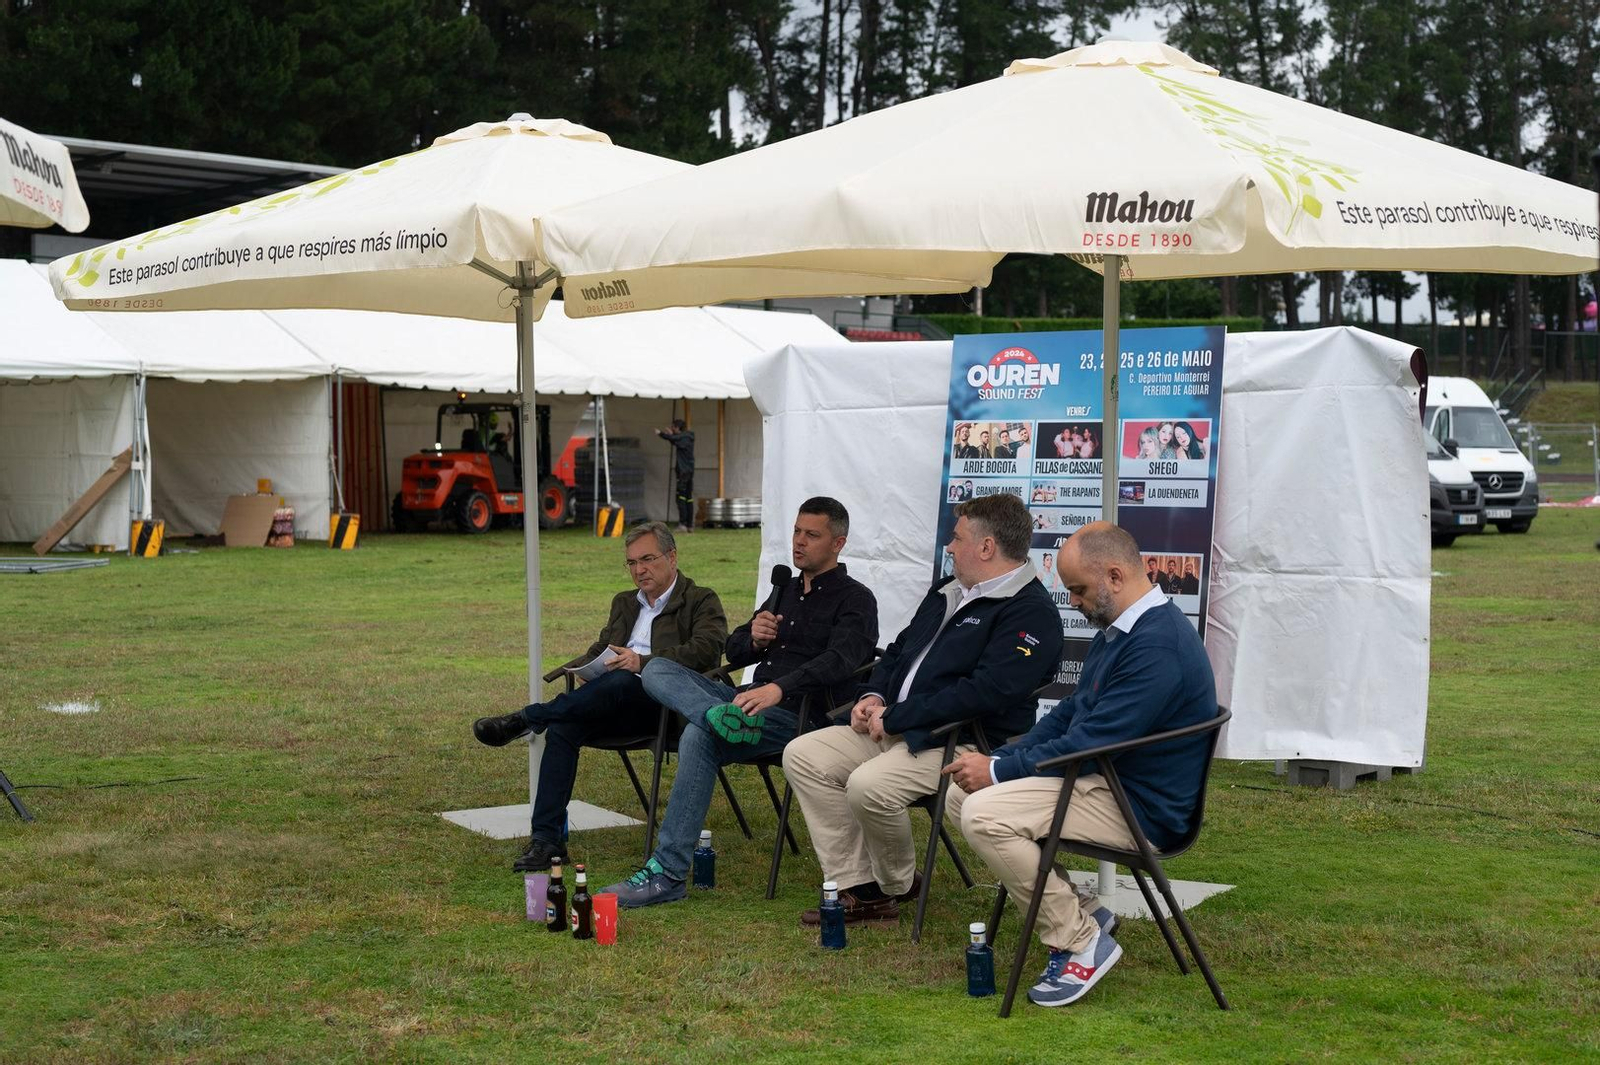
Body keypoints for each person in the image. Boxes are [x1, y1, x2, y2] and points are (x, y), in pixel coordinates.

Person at [941, 521, 1217, 1008]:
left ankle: (1079, 942)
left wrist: (1000, 772)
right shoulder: (1125, 630)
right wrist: (1000, 759)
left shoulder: (1156, 645)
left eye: (1079, 590)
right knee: (960, 794)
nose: (1073, 602)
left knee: (983, 814)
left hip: (1139, 809)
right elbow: (1072, 713)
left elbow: (1092, 743)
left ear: (1115, 576)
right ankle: (1082, 909)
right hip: (1107, 782)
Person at [781, 493, 1062, 924]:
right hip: (898, 726)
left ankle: (892, 886)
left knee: (868, 786)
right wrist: (873, 697)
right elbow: (898, 651)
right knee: (803, 754)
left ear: (986, 547)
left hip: (961, 741)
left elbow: (984, 693)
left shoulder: (1030, 612)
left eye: (957, 538)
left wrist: (897, 716)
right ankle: (861, 886)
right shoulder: (948, 590)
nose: (949, 546)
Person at [601, 498, 879, 906]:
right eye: (796, 531)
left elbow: (841, 661)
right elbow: (733, 648)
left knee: (699, 736)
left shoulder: (856, 599)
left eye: (811, 535)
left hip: (802, 718)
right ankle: (714, 715)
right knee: (657, 668)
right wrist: (755, 639)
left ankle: (667, 873)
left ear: (838, 543)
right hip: (744, 704)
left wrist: (779, 688)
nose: (799, 542)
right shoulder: (784, 591)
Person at [471, 522, 728, 872]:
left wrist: (644, 663)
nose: (639, 570)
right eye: (632, 562)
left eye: (647, 559)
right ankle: (547, 841)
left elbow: (707, 651)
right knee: (565, 726)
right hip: (613, 702)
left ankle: (528, 718)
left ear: (672, 557)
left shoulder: (700, 600)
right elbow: (602, 646)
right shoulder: (624, 602)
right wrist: (585, 666)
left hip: (667, 708)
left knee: (621, 680)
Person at [656, 419, 697, 531]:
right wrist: (671, 436)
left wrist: (661, 434)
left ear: (677, 428)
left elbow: (674, 439)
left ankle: (683, 524)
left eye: (673, 427)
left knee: (681, 497)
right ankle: (690, 525)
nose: (672, 429)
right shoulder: (687, 438)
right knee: (688, 498)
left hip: (683, 472)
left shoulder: (684, 437)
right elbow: (675, 441)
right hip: (689, 471)